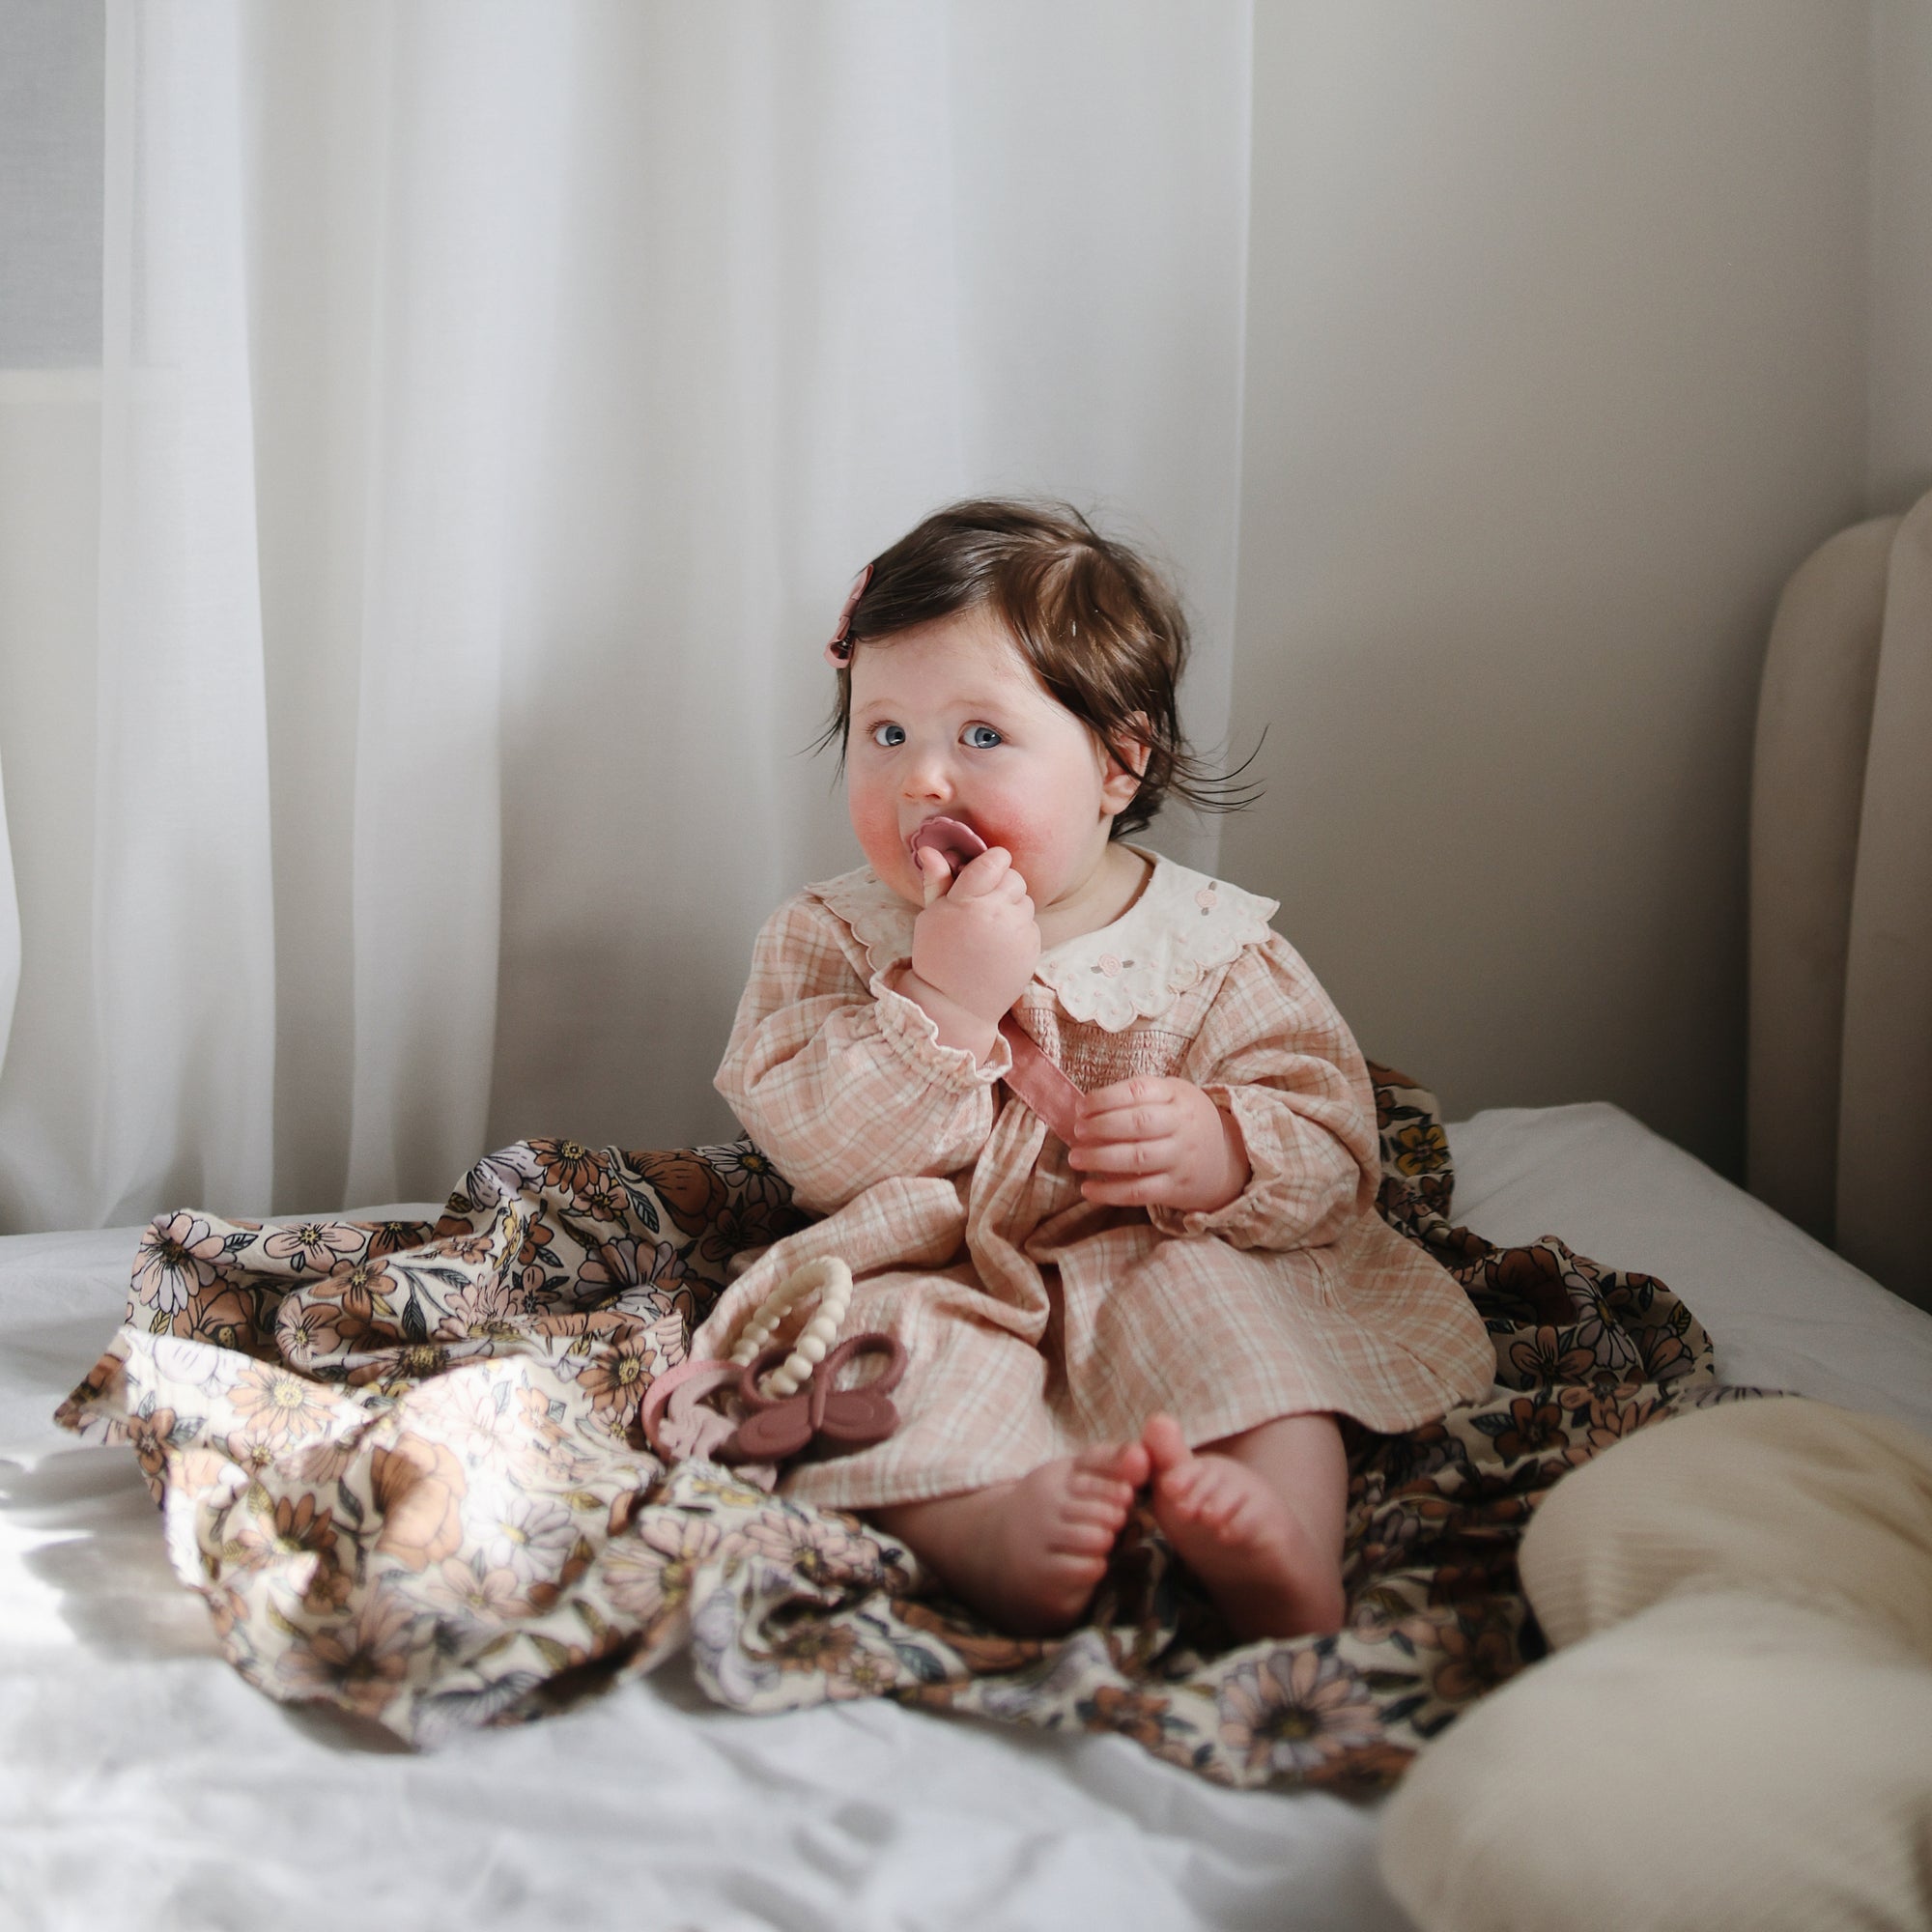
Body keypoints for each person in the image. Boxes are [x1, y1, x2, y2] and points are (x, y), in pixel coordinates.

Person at [690, 499, 1495, 1641]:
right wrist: (943, 1001)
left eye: (979, 735)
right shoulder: (833, 934)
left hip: (1156, 1248)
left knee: (1245, 1329)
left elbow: (1328, 1134)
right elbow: (816, 1150)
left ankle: (1280, 1534)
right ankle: (987, 1527)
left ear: (1119, 761)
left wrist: (1223, 1149)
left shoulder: (1207, 945)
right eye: (885, 732)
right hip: (937, 1260)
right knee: (889, 1361)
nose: (921, 780)